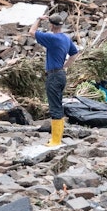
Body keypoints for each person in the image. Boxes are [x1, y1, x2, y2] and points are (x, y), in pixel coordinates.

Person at [32, 14, 79, 147]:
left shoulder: (52, 37)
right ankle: (56, 138)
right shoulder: (65, 38)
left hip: (53, 75)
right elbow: (74, 54)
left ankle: (56, 140)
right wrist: (65, 66)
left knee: (55, 106)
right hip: (61, 74)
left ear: (51, 25)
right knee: (58, 103)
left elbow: (32, 32)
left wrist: (38, 19)